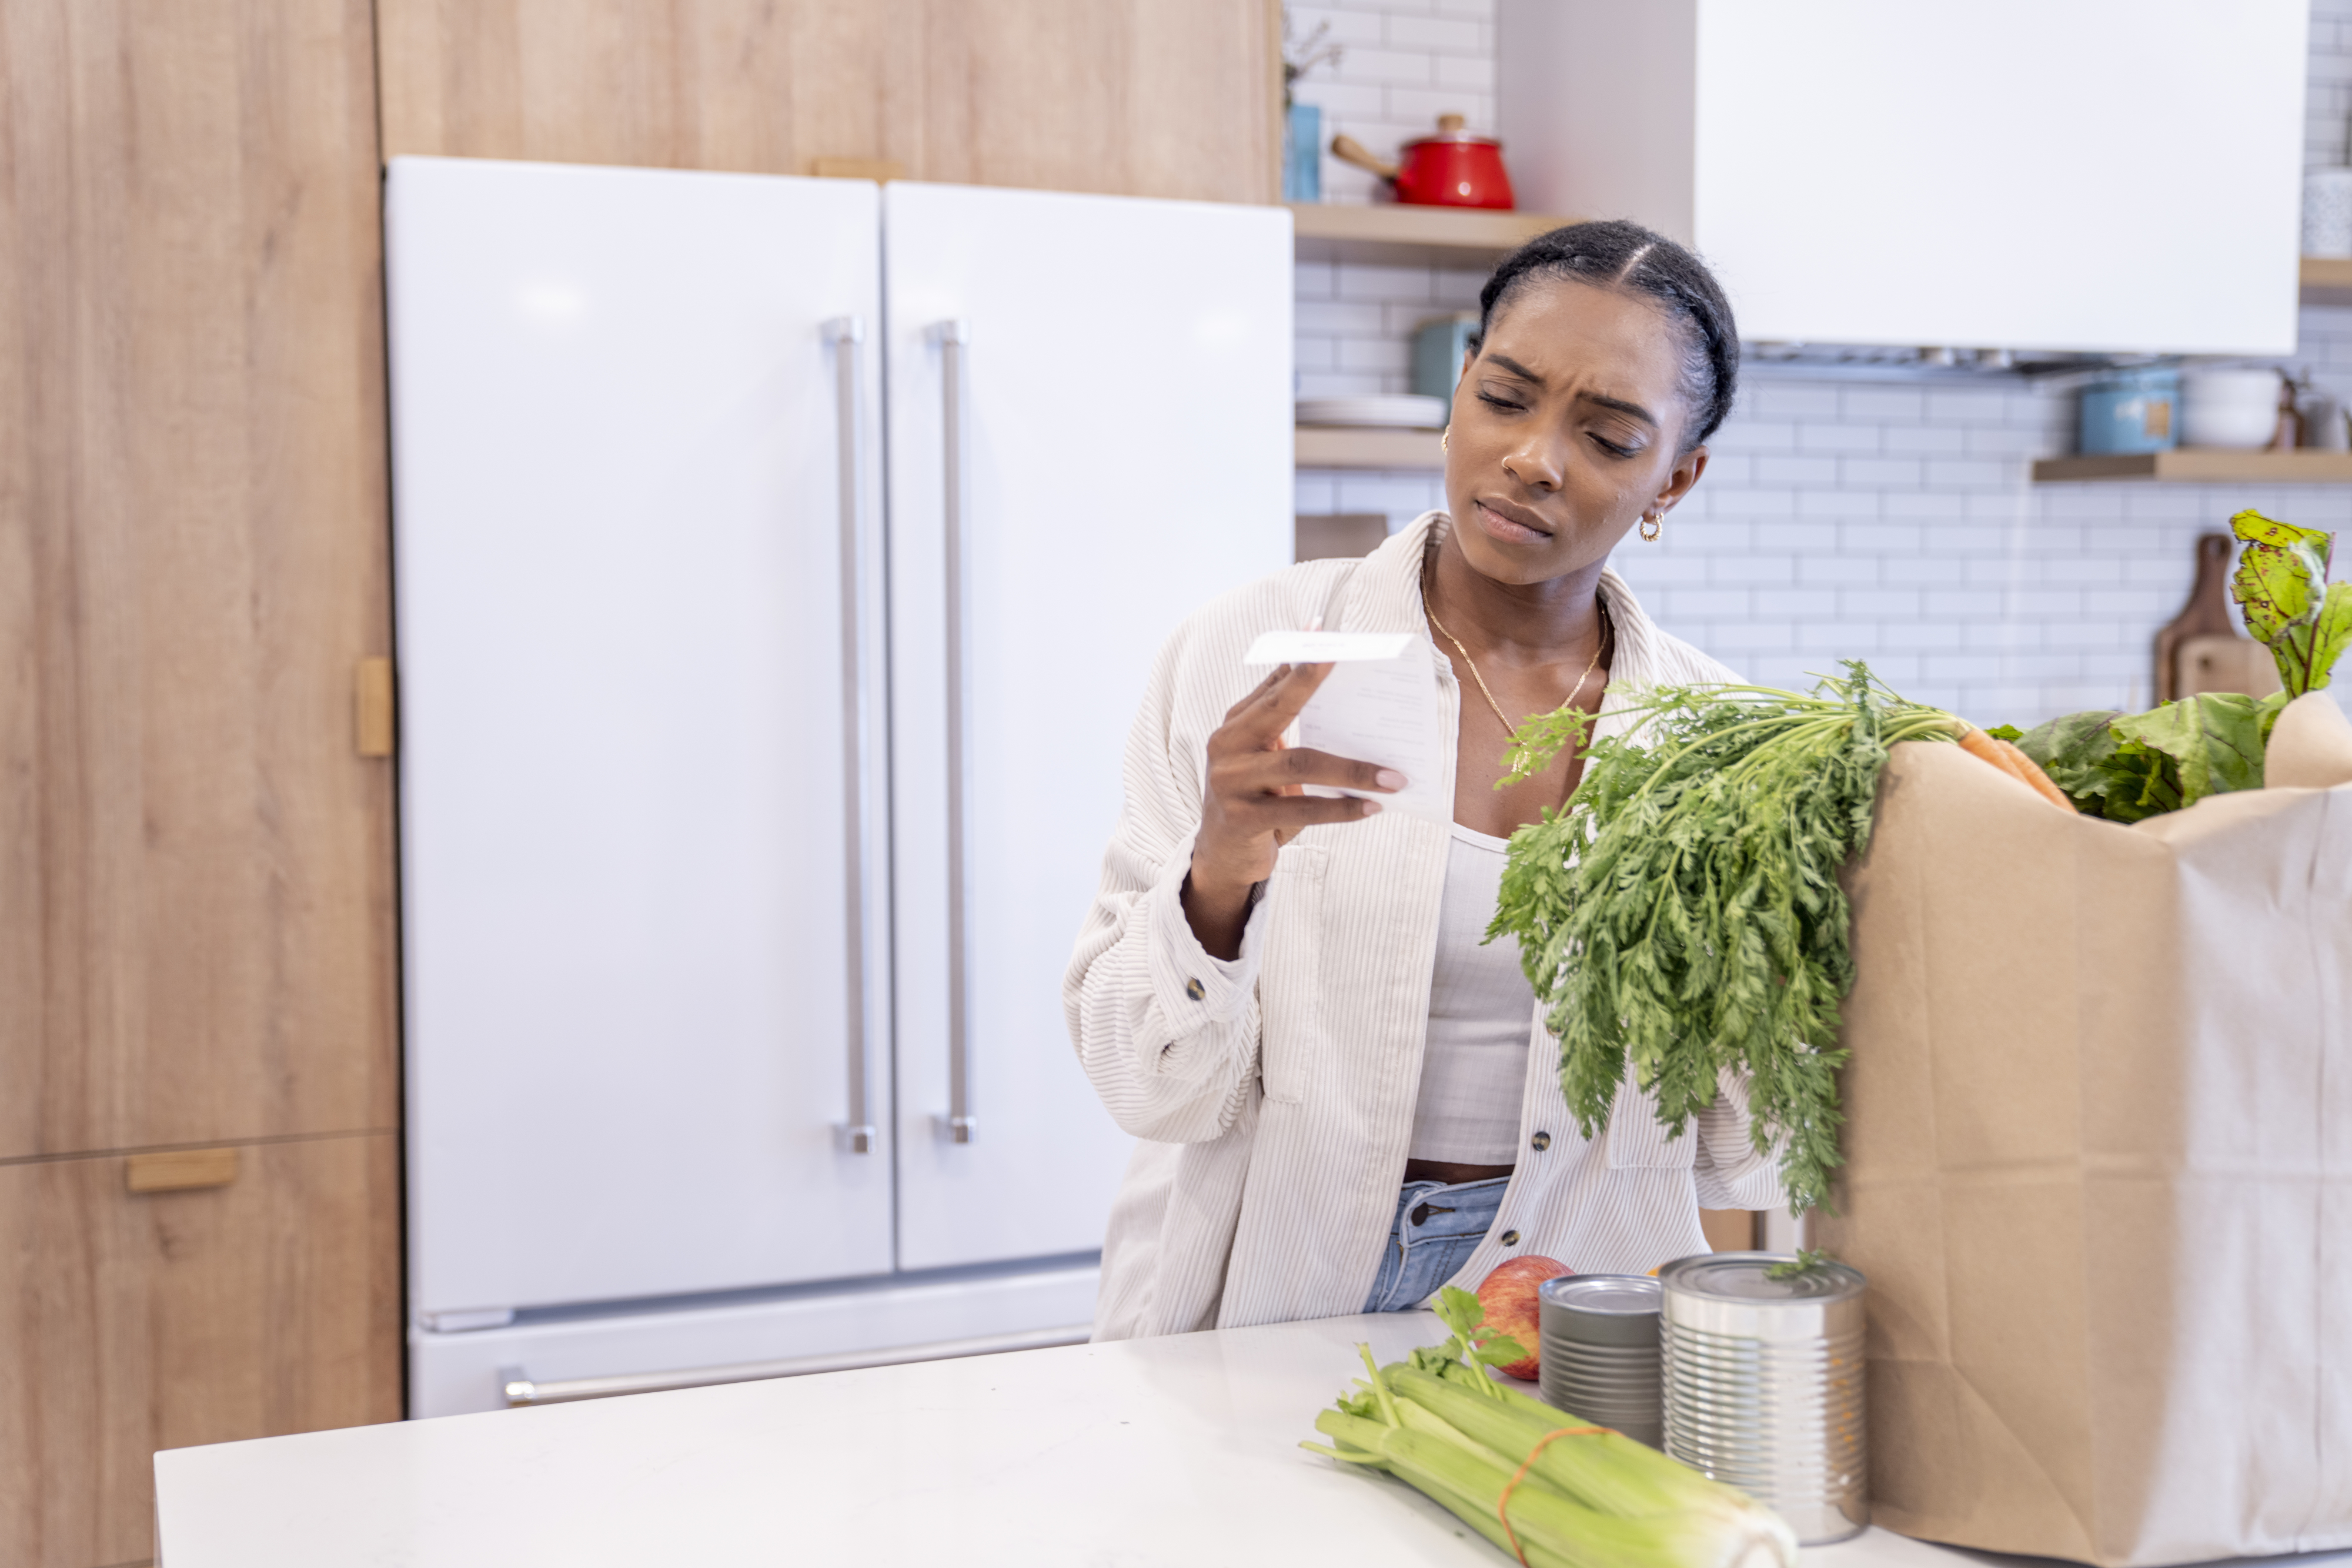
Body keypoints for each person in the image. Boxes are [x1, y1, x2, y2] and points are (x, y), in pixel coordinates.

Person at [1064, 220, 1783, 1340]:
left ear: (1674, 481)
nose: (1536, 457)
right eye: (1506, 398)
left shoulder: (1723, 748)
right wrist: (1218, 878)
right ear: (1458, 393)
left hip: (1581, 1304)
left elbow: (1744, 1155)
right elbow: (1146, 1088)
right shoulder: (1249, 650)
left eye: (1606, 436)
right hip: (1265, 1282)